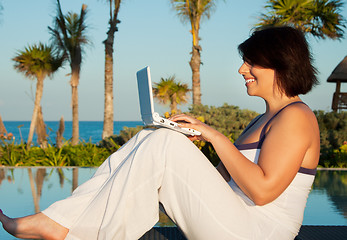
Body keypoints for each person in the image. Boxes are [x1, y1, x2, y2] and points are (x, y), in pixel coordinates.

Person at [0, 25, 320, 240]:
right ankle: (60, 222)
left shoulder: (296, 117)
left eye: (252, 62)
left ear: (279, 64)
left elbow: (263, 191)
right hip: (235, 218)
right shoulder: (265, 118)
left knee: (164, 144)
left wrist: (214, 136)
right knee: (151, 139)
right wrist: (186, 144)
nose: (242, 70)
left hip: (259, 231)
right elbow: (224, 182)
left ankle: (72, 231)